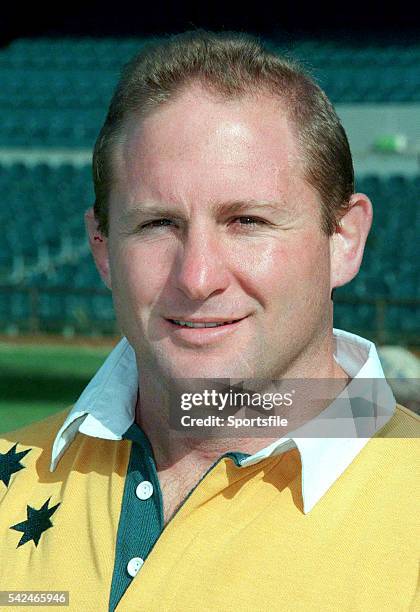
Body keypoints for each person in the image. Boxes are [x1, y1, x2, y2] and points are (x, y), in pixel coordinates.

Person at [1, 29, 418, 611]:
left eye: (247, 221)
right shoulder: (9, 480)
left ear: (344, 240)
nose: (197, 277)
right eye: (156, 224)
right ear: (102, 248)